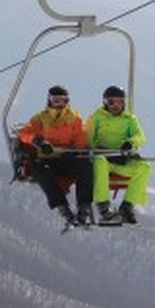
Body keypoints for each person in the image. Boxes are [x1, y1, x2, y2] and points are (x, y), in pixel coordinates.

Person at [18, 84, 94, 227]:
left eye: (63, 100)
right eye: (56, 100)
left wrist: (75, 150)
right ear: (49, 100)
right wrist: (38, 141)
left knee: (86, 168)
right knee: (40, 172)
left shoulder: (74, 118)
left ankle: (83, 207)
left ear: (67, 101)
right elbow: (25, 133)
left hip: (68, 158)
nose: (60, 104)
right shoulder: (40, 118)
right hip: (48, 158)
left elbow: (81, 136)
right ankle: (63, 208)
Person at [86, 85, 151, 224]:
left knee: (144, 167)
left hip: (121, 159)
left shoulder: (130, 119)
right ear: (105, 102)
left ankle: (127, 206)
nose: (115, 105)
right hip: (104, 159)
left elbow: (140, 136)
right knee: (100, 162)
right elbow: (88, 138)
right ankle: (103, 206)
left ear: (124, 103)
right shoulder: (97, 117)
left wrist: (131, 143)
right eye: (111, 102)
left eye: (119, 102)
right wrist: (92, 150)